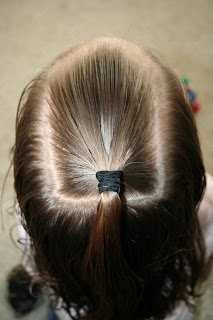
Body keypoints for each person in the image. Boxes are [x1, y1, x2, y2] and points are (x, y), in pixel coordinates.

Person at [10, 37, 213, 320]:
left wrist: (35, 276)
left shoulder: (28, 216)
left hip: (70, 307)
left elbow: (35, 261)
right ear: (191, 178)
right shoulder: (208, 209)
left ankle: (29, 290)